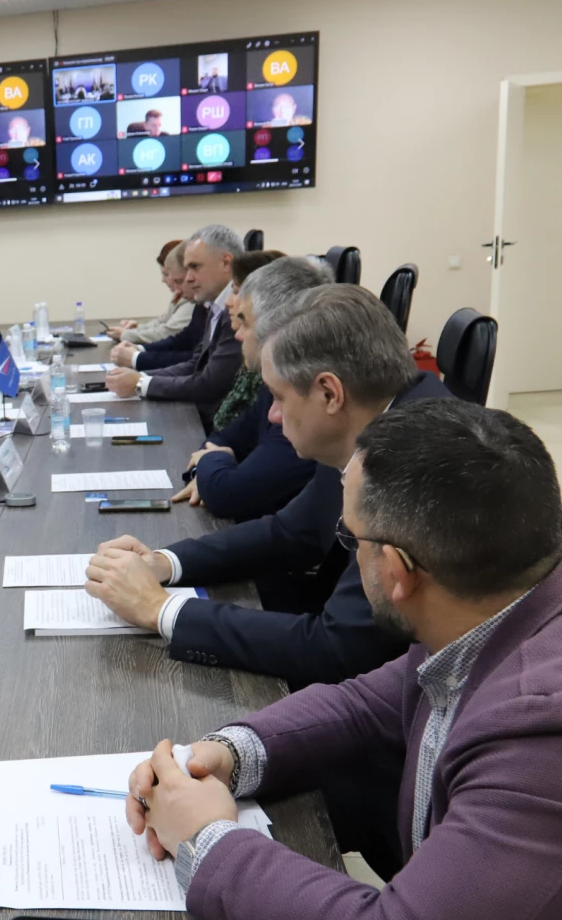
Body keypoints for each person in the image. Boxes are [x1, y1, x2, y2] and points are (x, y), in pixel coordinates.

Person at [126, 399, 562, 920]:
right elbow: (368, 705)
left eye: (349, 535)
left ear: (396, 569)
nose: (347, 548)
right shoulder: (496, 610)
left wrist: (208, 839)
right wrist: (227, 753)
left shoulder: (541, 726)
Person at [85, 284, 451, 689]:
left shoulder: (410, 462)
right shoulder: (374, 416)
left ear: (329, 393)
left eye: (278, 397)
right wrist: (164, 563)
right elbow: (295, 532)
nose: (273, 416)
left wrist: (159, 609)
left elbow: (339, 650)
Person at [171, 254, 328, 522]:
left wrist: (210, 465)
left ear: (277, 327)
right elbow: (222, 438)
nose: (238, 335)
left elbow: (229, 494)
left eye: (245, 322)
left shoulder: (305, 396)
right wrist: (207, 471)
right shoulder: (272, 388)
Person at [106, 224, 245, 430]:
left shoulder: (237, 311)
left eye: (195, 267)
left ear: (226, 262)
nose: (188, 278)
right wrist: (142, 378)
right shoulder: (215, 305)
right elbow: (195, 364)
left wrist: (141, 383)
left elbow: (210, 384)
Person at [107, 240, 195, 345]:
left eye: (166, 274)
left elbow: (168, 332)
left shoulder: (192, 300)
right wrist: (137, 329)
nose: (164, 280)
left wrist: (126, 335)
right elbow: (163, 321)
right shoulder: (181, 295)